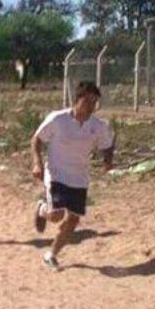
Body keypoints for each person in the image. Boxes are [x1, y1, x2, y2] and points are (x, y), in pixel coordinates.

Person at [31, 81, 114, 271]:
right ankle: (43, 209)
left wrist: (107, 160)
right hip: (56, 174)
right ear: (76, 100)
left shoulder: (98, 126)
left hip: (79, 178)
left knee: (74, 219)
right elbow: (37, 139)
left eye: (95, 102)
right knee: (56, 215)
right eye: (88, 101)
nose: (91, 106)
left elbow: (107, 145)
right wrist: (37, 163)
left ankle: (51, 255)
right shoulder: (58, 119)